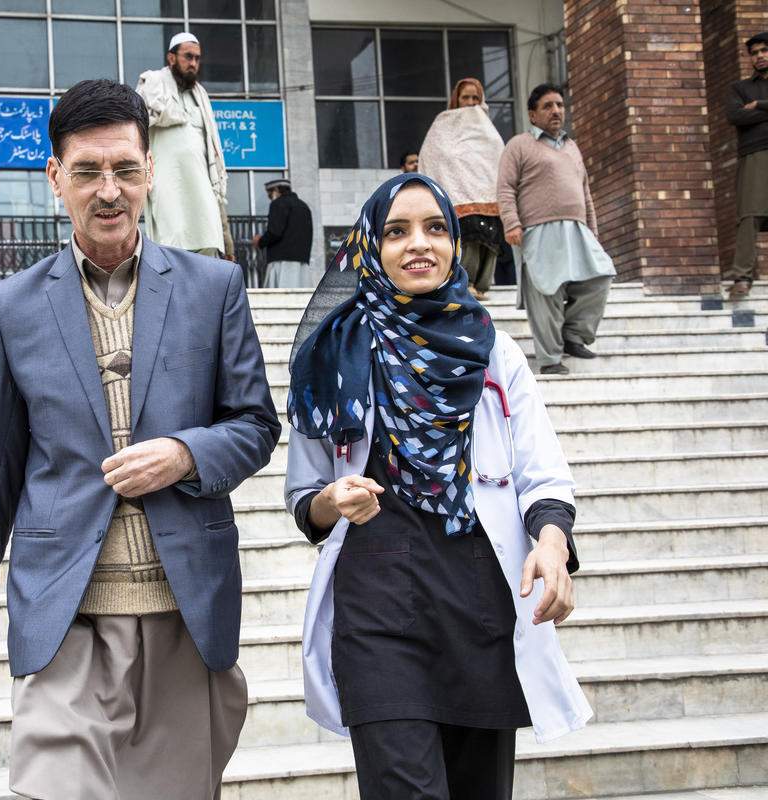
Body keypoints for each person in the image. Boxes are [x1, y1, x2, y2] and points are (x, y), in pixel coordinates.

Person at [0, 79, 280, 800]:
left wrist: (186, 454)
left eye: (125, 169)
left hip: (182, 610)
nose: (108, 190)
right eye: (88, 171)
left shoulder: (213, 287)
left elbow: (255, 425)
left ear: (151, 172)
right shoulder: (9, 308)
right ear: (54, 177)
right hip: (66, 614)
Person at [285, 173, 592, 800]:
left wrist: (553, 544)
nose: (418, 244)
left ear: (455, 241)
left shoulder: (493, 350)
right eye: (396, 231)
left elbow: (542, 470)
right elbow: (305, 496)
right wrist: (331, 500)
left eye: (436, 228)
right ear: (370, 246)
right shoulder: (333, 354)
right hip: (375, 604)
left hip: (477, 600)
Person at [497, 84, 615, 375]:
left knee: (599, 278)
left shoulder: (571, 146)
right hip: (538, 229)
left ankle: (573, 336)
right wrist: (511, 223)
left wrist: (592, 231)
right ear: (532, 114)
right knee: (546, 293)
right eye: (548, 106)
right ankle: (550, 358)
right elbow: (505, 188)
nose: (556, 111)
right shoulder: (519, 145)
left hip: (577, 229)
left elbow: (585, 191)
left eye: (560, 105)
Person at [137, 32, 230, 259]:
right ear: (171, 58)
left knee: (208, 238)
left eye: (197, 58)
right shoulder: (153, 82)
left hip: (201, 182)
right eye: (188, 57)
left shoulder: (201, 95)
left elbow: (212, 146)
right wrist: (175, 113)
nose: (193, 63)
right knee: (172, 244)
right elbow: (144, 114)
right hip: (168, 183)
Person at [419, 77, 506, 301]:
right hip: (457, 192)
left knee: (489, 238)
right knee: (468, 237)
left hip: (485, 192)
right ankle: (464, 284)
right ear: (456, 100)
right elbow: (433, 156)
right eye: (465, 97)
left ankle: (482, 285)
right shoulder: (443, 123)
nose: (470, 102)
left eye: (475, 98)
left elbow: (497, 156)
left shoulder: (487, 128)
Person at [725, 31, 768, 299]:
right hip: (755, 153)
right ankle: (742, 278)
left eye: (764, 50)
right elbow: (735, 116)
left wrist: (760, 106)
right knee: (750, 213)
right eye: (755, 52)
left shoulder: (753, 96)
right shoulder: (740, 88)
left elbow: (749, 114)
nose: (760, 56)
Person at [253, 178, 316, 287]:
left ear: (276, 190)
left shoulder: (278, 204)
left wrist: (260, 242)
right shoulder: (304, 207)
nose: (270, 198)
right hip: (302, 264)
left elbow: (275, 232)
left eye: (269, 194)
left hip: (281, 263)